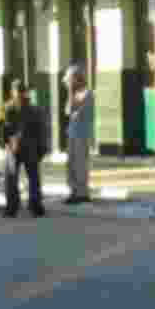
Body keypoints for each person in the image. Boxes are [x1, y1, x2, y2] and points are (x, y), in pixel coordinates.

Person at [0, 79, 46, 218]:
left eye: (21, 91)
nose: (19, 94)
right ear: (13, 92)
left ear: (25, 92)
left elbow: (40, 129)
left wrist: (41, 147)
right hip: (14, 147)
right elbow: (1, 127)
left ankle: (34, 205)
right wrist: (3, 143)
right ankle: (13, 206)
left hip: (29, 147)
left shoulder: (33, 109)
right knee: (12, 178)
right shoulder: (7, 108)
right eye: (17, 91)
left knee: (33, 177)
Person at [64, 64, 94, 205]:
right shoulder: (75, 94)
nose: (69, 83)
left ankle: (82, 193)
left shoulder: (87, 94)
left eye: (71, 80)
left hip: (81, 134)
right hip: (73, 133)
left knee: (80, 164)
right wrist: (71, 92)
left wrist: (71, 91)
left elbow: (72, 108)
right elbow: (67, 111)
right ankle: (74, 191)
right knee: (71, 163)